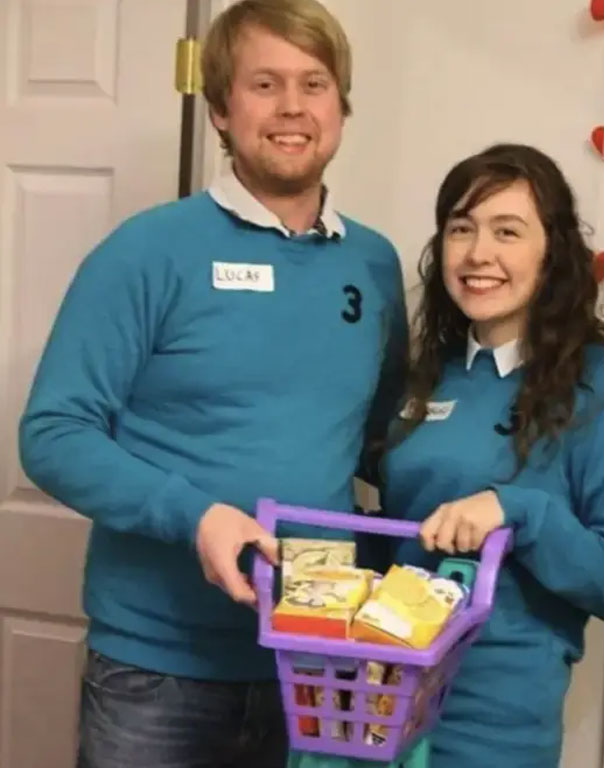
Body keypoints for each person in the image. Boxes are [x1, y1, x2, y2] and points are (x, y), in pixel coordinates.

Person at [18, 1, 407, 766]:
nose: (293, 107)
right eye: (265, 84)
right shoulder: (146, 253)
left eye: (315, 84)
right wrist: (196, 515)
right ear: (222, 110)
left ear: (341, 106)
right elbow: (52, 435)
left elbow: (374, 440)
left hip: (315, 664)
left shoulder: (375, 264)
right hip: (157, 674)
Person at [377, 144, 604, 767]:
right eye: (461, 229)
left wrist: (517, 512)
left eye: (507, 231)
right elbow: (399, 538)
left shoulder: (599, 388)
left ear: (551, 253)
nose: (479, 253)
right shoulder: (427, 379)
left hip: (492, 739)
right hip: (376, 719)